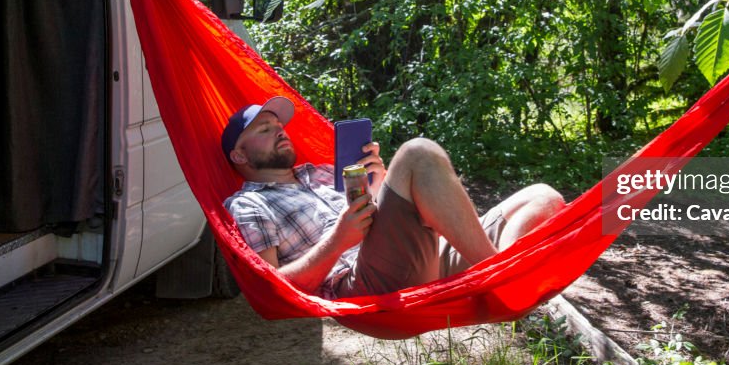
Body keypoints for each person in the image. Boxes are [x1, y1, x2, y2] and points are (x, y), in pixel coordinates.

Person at [222, 96, 565, 299]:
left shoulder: (323, 172)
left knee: (543, 198)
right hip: (364, 280)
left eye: (278, 126)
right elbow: (272, 288)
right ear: (239, 156)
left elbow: (376, 213)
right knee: (417, 153)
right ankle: (500, 277)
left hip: (414, 255)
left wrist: (381, 179)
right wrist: (339, 241)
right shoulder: (249, 204)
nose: (279, 130)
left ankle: (498, 276)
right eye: (264, 130)